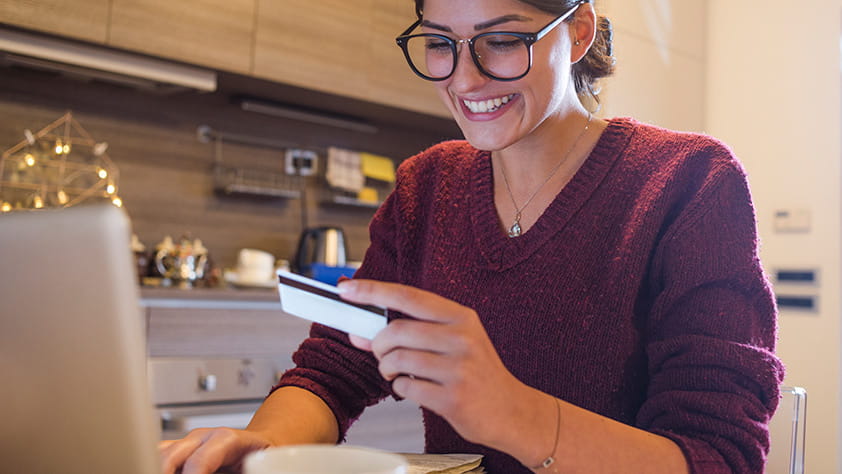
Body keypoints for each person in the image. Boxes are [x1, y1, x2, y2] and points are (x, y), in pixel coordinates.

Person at [160, 0, 784, 472]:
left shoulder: (689, 182)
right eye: (440, 44)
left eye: (502, 40)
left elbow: (717, 457)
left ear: (580, 29)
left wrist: (511, 412)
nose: (464, 79)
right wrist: (262, 446)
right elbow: (337, 365)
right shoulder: (427, 186)